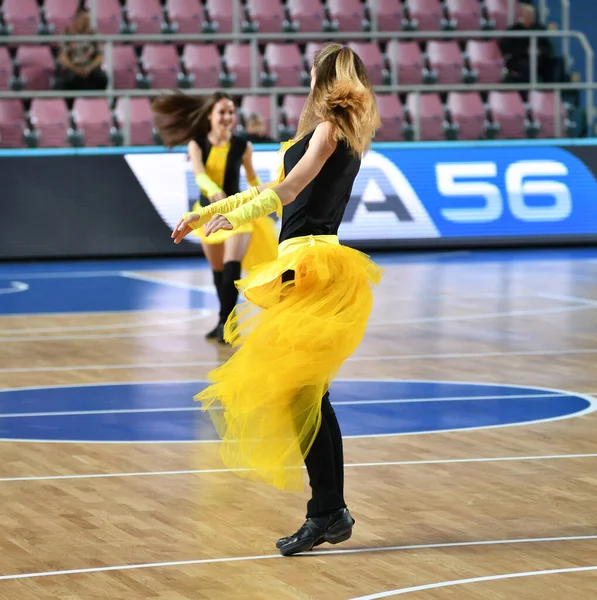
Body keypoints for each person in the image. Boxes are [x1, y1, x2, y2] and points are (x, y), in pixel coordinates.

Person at [172, 43, 383, 556]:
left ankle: (327, 509)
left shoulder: (331, 131)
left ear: (323, 76)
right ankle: (329, 509)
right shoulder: (330, 131)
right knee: (309, 394)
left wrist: (235, 219)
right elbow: (272, 187)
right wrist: (209, 212)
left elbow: (288, 190)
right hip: (306, 265)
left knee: (300, 393)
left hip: (313, 264)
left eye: (314, 69)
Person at [152, 91, 279, 343]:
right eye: (222, 112)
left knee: (232, 265)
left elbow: (252, 178)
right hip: (206, 214)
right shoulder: (197, 144)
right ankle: (223, 320)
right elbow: (199, 174)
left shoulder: (244, 145)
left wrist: (267, 196)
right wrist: (213, 191)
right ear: (210, 115)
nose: (227, 117)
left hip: (236, 214)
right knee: (219, 270)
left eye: (231, 112)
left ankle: (229, 325)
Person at [55, 6, 108, 94]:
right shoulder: (66, 33)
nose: (87, 22)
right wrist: (75, 69)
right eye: (85, 19)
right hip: (72, 67)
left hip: (89, 67)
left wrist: (89, 68)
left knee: (102, 78)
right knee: (67, 80)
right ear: (77, 18)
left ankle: (98, 104)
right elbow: (63, 57)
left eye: (88, 20)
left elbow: (100, 55)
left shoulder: (93, 34)